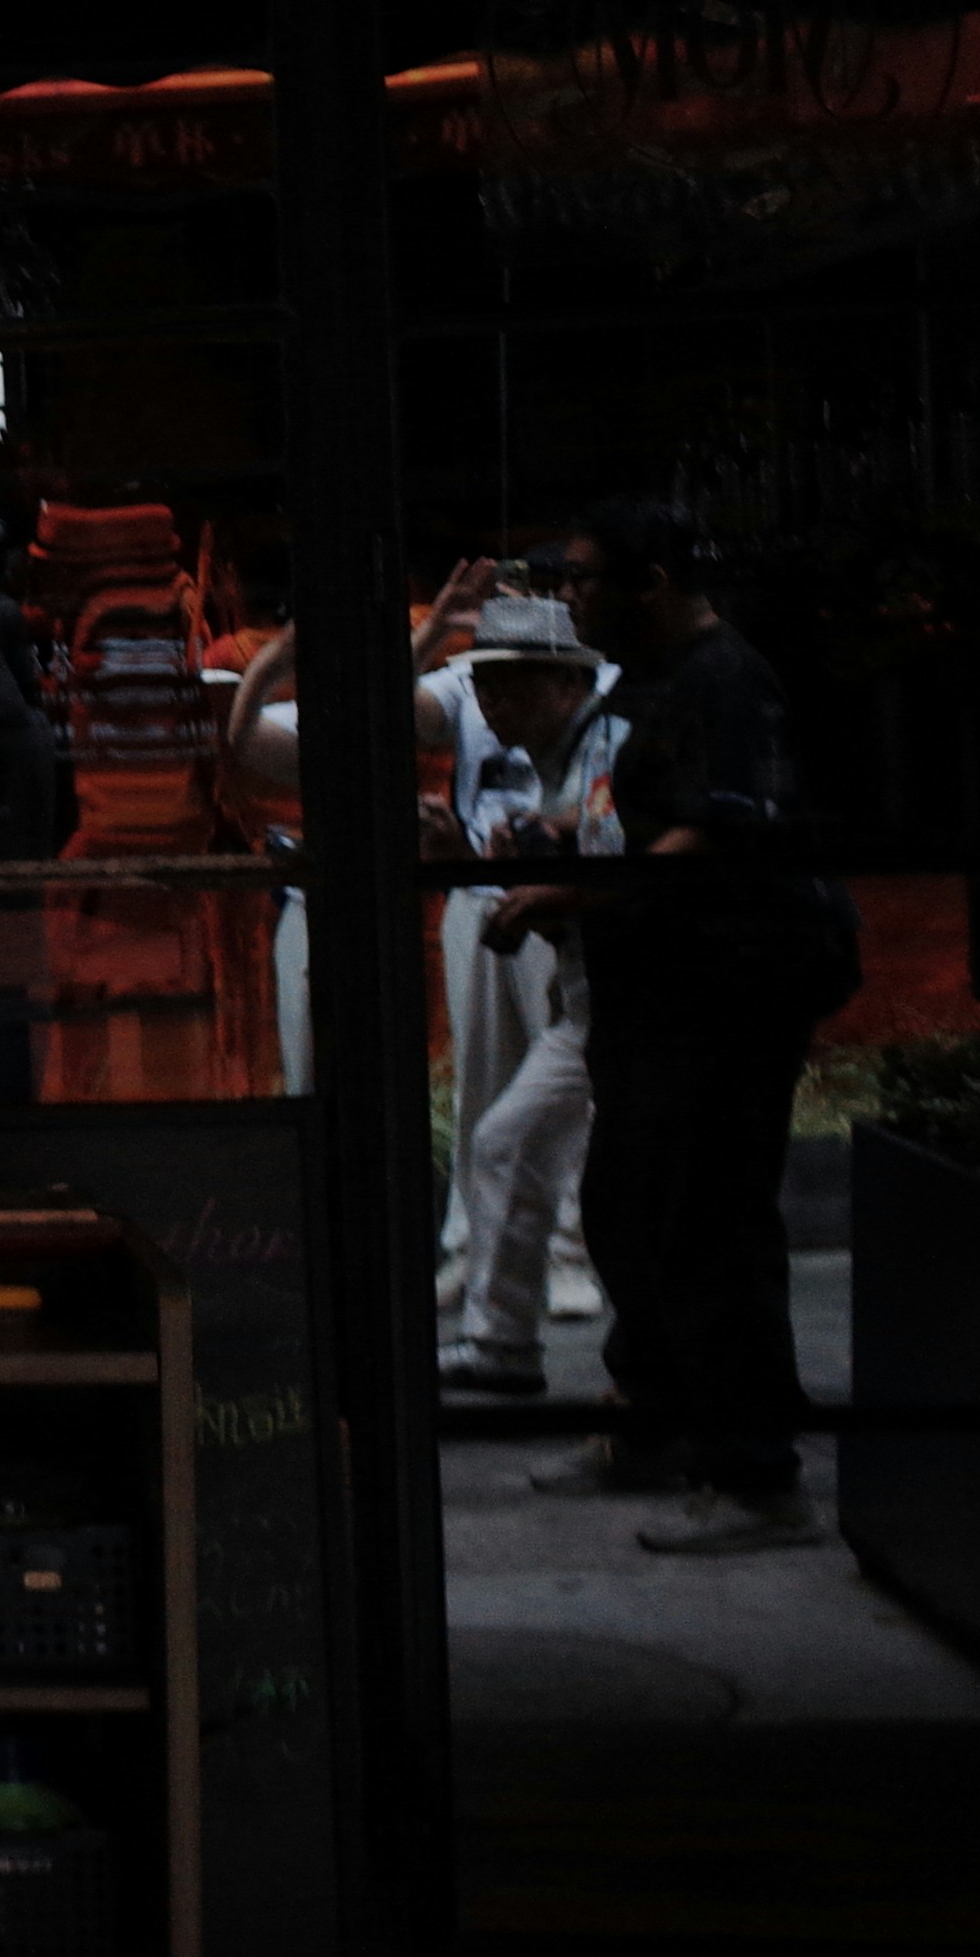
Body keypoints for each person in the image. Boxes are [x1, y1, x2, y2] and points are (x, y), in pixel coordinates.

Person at [498, 502, 860, 1557]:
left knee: (708, 1221)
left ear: (646, 582)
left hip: (728, 986)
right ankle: (650, 1421)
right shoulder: (643, 681)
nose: (567, 598)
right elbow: (627, 806)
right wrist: (548, 831)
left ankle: (756, 1478)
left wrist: (565, 898)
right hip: (654, 993)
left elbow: (709, 832)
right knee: (623, 1204)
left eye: (578, 579)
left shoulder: (721, 679)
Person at [427, 591, 610, 1396]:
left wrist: (546, 889)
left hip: (648, 1003)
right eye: (487, 684)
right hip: (596, 1003)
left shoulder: (606, 744)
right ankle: (503, 1344)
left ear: (567, 684)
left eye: (514, 684)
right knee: (505, 1139)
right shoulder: (555, 759)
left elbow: (635, 863)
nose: (491, 702)